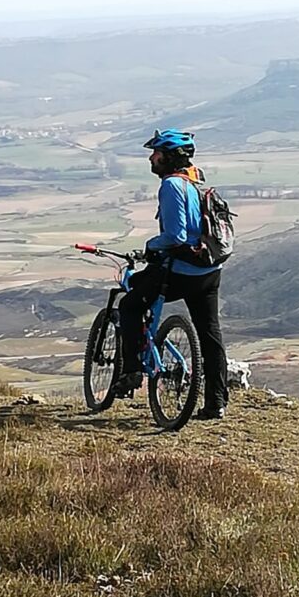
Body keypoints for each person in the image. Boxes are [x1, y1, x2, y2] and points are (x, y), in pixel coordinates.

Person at [113, 129, 229, 420]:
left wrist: (150, 246)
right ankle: (216, 403)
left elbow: (175, 235)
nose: (152, 158)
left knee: (129, 304)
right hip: (209, 270)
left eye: (157, 153)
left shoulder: (171, 186)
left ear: (169, 157)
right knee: (210, 335)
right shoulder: (193, 184)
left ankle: (131, 371)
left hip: (180, 272)